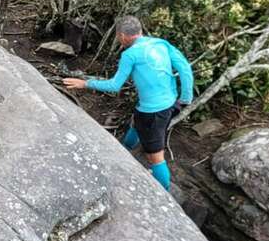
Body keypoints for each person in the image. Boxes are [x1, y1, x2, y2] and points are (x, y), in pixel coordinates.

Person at [62, 15, 193, 192]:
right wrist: (185, 99)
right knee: (135, 122)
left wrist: (85, 83)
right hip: (170, 103)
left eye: (117, 36)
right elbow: (185, 68)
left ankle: (165, 193)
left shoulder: (130, 55)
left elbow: (115, 86)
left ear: (122, 36)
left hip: (153, 112)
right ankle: (124, 151)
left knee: (155, 156)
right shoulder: (160, 44)